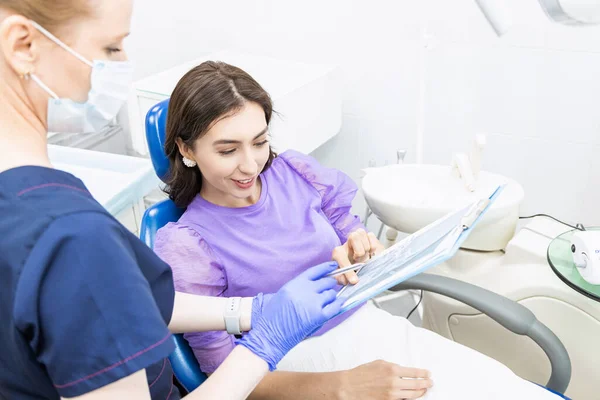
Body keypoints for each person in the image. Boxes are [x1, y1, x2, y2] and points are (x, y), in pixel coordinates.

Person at [0, 1, 354, 399]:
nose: (122, 64)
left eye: (259, 142)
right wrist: (265, 344)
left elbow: (123, 302)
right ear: (23, 45)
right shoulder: (75, 237)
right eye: (111, 48)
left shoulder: (33, 208)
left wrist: (251, 310)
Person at [154, 61, 562, 400]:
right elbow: (227, 379)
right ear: (187, 150)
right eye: (228, 150)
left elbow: (344, 224)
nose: (250, 164)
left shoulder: (294, 172)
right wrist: (341, 386)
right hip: (296, 370)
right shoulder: (189, 245)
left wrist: (357, 242)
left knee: (500, 389)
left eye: (259, 141)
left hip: (372, 329)